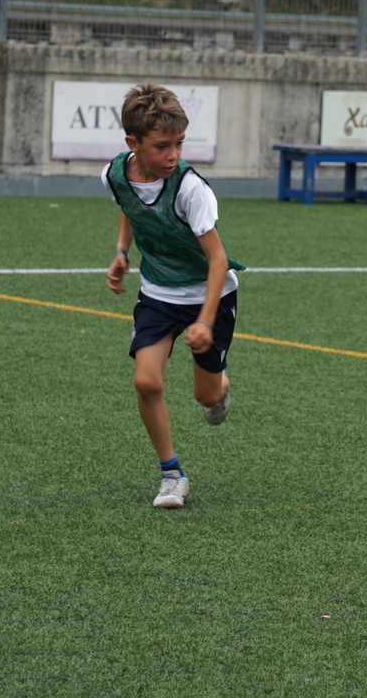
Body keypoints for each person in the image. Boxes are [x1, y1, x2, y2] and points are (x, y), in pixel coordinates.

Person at [104, 83, 246, 509]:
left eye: (179, 144)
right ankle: (172, 475)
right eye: (162, 146)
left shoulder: (190, 189)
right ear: (133, 143)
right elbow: (130, 206)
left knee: (206, 397)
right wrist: (121, 251)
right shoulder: (114, 175)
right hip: (159, 293)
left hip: (210, 295)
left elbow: (218, 261)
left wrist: (204, 321)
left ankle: (220, 386)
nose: (173, 155)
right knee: (146, 382)